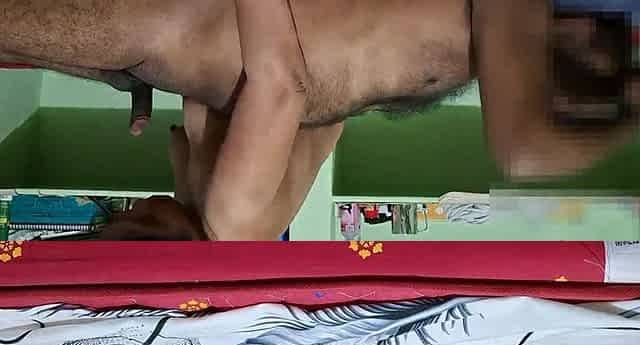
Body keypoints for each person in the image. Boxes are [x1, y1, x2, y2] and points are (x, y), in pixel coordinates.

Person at [1, 0, 637, 239]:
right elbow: (284, 86)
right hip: (150, 28)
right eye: (127, 226)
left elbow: (288, 92)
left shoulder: (225, 206)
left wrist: (118, 73)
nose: (125, 210)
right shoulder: (232, 217)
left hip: (149, 37)